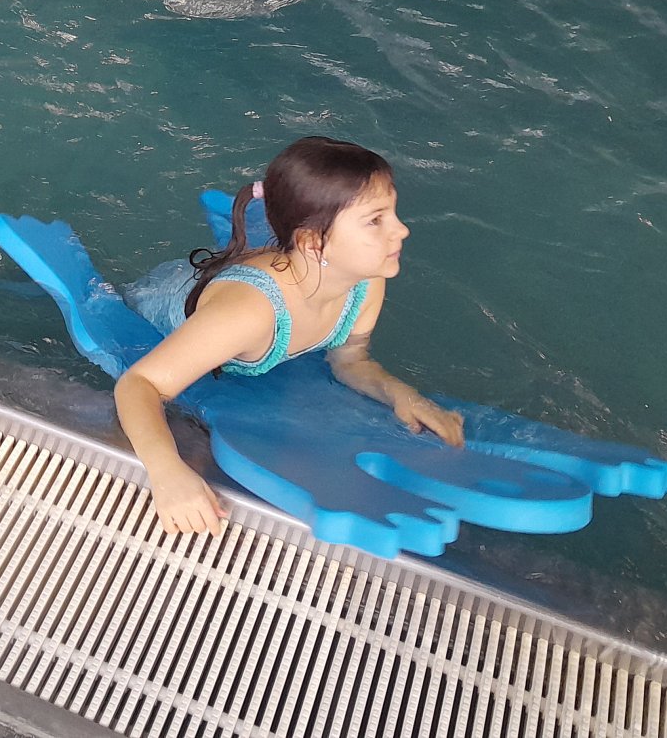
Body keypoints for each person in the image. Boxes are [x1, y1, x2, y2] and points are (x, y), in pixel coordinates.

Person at [113, 137, 464, 536]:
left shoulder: (364, 282)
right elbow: (139, 384)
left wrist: (401, 394)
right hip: (157, 306)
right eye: (375, 220)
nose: (401, 230)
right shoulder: (248, 314)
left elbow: (351, 360)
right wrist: (168, 474)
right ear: (313, 242)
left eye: (393, 213)